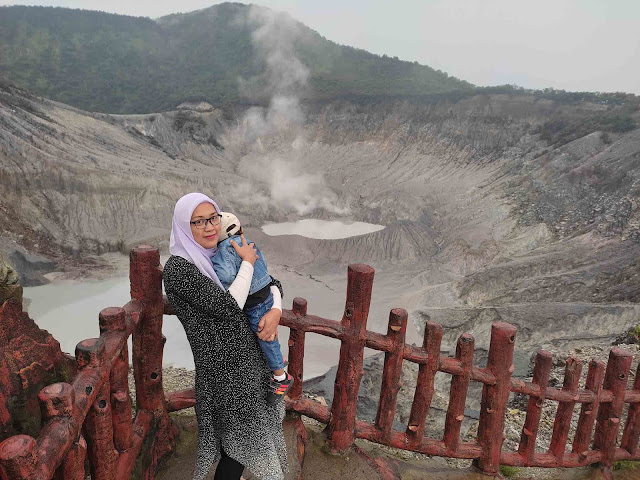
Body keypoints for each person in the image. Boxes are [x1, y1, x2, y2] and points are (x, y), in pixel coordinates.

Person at [163, 192, 288, 480]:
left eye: (213, 218)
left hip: (249, 364)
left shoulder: (218, 253)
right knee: (238, 445)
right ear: (184, 226)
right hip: (225, 373)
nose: (209, 227)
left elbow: (270, 282)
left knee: (240, 440)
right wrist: (246, 262)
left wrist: (276, 312)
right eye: (198, 222)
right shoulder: (180, 269)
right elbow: (228, 307)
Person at [212, 212, 292, 404]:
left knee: (264, 334)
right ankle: (278, 357)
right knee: (269, 334)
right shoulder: (249, 243)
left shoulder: (224, 250)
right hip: (265, 292)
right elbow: (263, 267)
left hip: (253, 301)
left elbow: (226, 276)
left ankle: (281, 377)